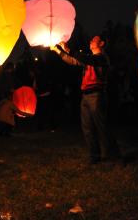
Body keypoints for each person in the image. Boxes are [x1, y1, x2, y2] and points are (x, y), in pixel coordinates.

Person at [50, 36, 122, 164]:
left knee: (101, 126)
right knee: (87, 127)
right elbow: (73, 61)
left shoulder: (102, 58)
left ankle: (113, 155)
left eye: (93, 40)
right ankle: (94, 155)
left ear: (101, 43)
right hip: (86, 96)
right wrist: (58, 51)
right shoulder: (89, 59)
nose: (90, 41)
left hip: (97, 95)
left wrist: (68, 49)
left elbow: (88, 59)